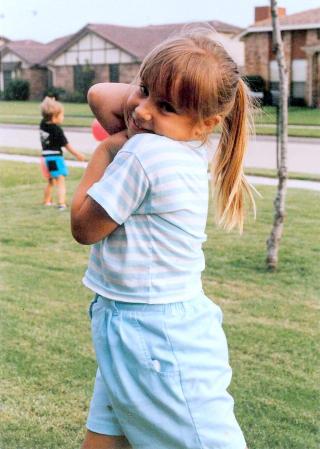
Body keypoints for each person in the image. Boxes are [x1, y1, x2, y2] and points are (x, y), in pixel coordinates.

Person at [71, 29, 255, 449]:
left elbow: (83, 227)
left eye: (166, 106)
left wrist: (107, 150)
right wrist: (155, 94)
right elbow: (101, 94)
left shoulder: (145, 152)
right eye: (144, 89)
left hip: (152, 334)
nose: (143, 112)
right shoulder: (185, 143)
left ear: (205, 123)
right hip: (138, 322)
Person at [39, 96, 85, 209]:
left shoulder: (42, 124)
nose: (62, 117)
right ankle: (61, 204)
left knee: (51, 181)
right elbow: (66, 145)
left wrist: (50, 103)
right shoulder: (57, 129)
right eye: (61, 115)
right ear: (54, 117)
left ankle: (46, 202)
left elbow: (46, 114)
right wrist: (77, 154)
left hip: (45, 158)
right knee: (60, 181)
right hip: (55, 158)